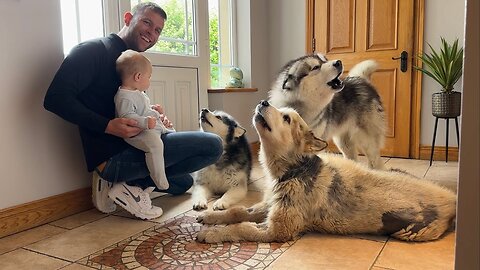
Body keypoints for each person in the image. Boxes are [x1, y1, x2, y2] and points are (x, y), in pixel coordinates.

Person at [44, 2, 223, 220]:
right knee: (213, 145)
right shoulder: (92, 51)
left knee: (183, 183)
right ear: (128, 18)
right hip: (112, 156)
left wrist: (155, 115)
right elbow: (55, 99)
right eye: (147, 22)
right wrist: (107, 126)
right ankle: (114, 182)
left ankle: (127, 184)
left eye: (158, 30)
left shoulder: (132, 62)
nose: (152, 32)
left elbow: (126, 106)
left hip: (138, 146)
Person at [115, 49, 172, 191]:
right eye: (149, 77)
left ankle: (168, 168)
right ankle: (159, 179)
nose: (150, 80)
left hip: (149, 127)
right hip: (138, 133)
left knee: (171, 134)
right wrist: (145, 122)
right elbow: (127, 116)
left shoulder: (137, 92)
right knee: (155, 145)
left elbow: (141, 109)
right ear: (138, 77)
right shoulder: (123, 96)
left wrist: (154, 109)